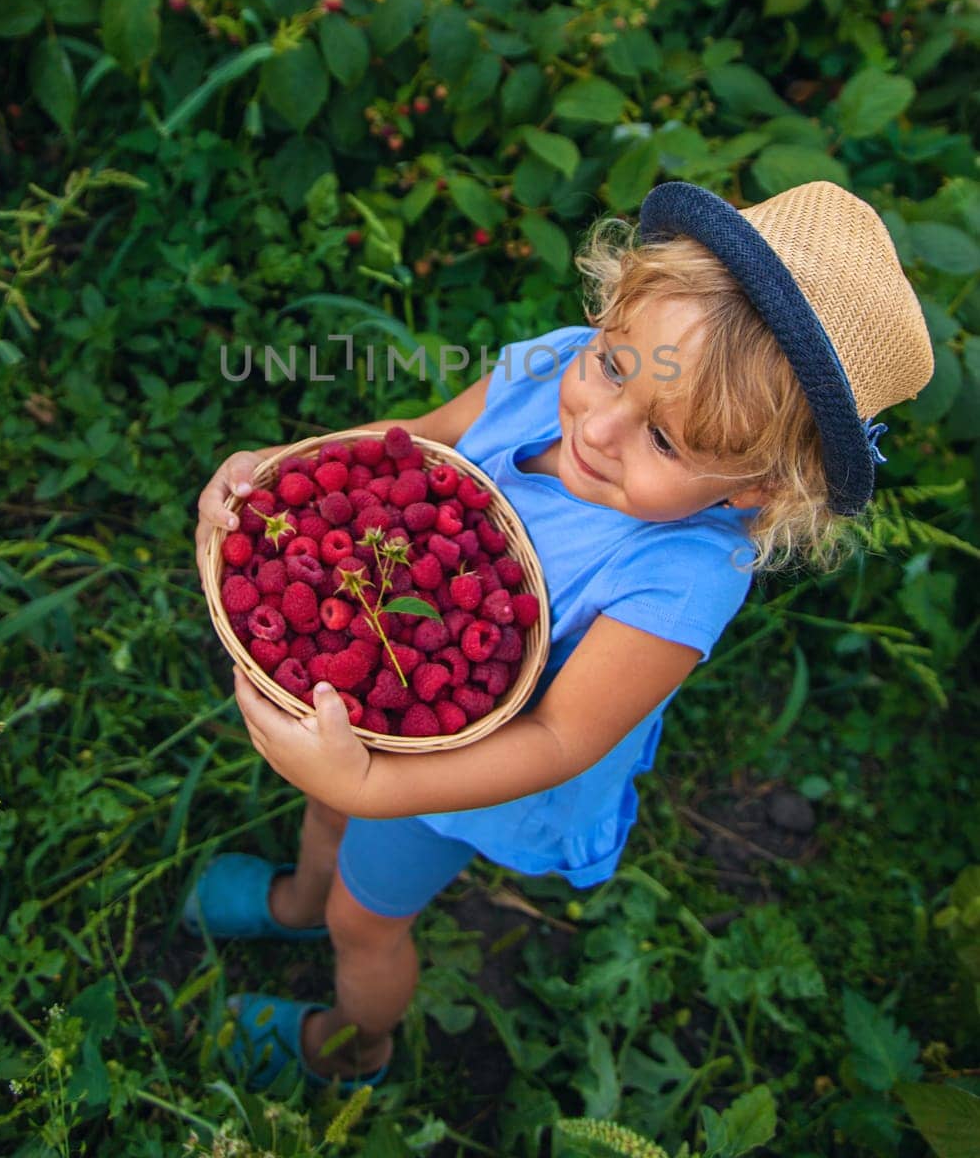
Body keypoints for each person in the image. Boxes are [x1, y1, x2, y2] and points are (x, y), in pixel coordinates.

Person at [185, 179, 934, 1094]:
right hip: (379, 722)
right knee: (324, 807)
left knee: (367, 920)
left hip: (463, 777)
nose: (601, 425)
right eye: (615, 365)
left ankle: (352, 1044)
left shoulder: (679, 580)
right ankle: (298, 897)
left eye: (667, 442)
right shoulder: (551, 370)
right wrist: (267, 479)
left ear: (753, 490)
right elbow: (411, 445)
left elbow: (559, 737)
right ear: (609, 316)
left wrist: (379, 783)